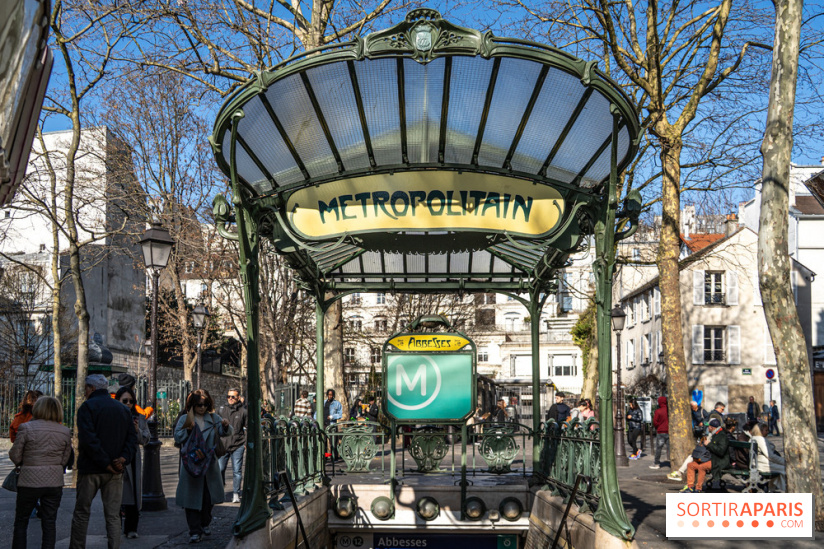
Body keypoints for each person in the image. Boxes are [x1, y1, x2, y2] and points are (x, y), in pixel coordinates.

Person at [70, 374, 137, 549]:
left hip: (91, 469)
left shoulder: (87, 407)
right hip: (115, 470)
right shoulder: (122, 409)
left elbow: (88, 440)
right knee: (113, 516)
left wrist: (105, 462)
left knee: (82, 513)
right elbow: (131, 439)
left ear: (91, 388)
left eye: (85, 388)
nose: (84, 392)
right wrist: (122, 459)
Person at [10, 396, 72, 549]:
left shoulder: (26, 428)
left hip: (29, 481)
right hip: (54, 482)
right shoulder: (64, 431)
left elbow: (15, 455)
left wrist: (25, 462)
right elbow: (65, 459)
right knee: (49, 522)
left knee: (21, 521)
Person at [175, 389, 232, 543]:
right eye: (199, 404)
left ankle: (205, 522)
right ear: (192, 404)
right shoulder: (185, 419)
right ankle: (194, 530)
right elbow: (177, 437)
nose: (202, 407)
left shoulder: (213, 418)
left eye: (205, 404)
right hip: (191, 464)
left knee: (208, 497)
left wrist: (225, 425)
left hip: (209, 464)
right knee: (191, 499)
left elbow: (225, 432)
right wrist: (188, 429)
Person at [115, 387, 149, 539]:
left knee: (133, 494)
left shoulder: (139, 418)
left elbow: (146, 439)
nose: (128, 404)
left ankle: (131, 528)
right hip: (117, 458)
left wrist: (137, 431)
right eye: (124, 401)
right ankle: (115, 528)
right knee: (116, 495)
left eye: (131, 401)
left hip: (133, 459)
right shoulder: (113, 416)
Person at [218, 388, 247, 504]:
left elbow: (247, 427)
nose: (230, 399)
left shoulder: (243, 411)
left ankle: (236, 493)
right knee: (220, 469)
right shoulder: (221, 410)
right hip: (223, 444)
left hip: (238, 444)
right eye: (228, 396)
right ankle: (221, 492)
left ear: (238, 398)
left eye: (233, 397)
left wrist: (245, 443)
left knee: (237, 471)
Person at [748, 423, 786, 492]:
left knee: (780, 469)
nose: (768, 432)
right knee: (785, 470)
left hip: (756, 464)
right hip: (762, 464)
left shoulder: (752, 438)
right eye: (766, 430)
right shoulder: (761, 439)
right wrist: (785, 462)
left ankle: (771, 489)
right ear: (761, 431)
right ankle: (787, 490)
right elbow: (770, 456)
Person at [705, 418, 730, 489]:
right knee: (691, 465)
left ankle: (698, 488)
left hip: (719, 461)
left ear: (712, 427)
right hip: (714, 459)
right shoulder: (715, 434)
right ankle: (691, 486)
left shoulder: (721, 436)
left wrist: (709, 444)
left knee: (701, 467)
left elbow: (721, 451)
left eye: (708, 426)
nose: (707, 428)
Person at [650, 396, 669, 470]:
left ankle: (657, 463)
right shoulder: (668, 410)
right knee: (669, 448)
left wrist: (658, 426)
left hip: (661, 431)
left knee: (659, 448)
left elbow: (655, 422)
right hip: (668, 431)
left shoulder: (658, 411)